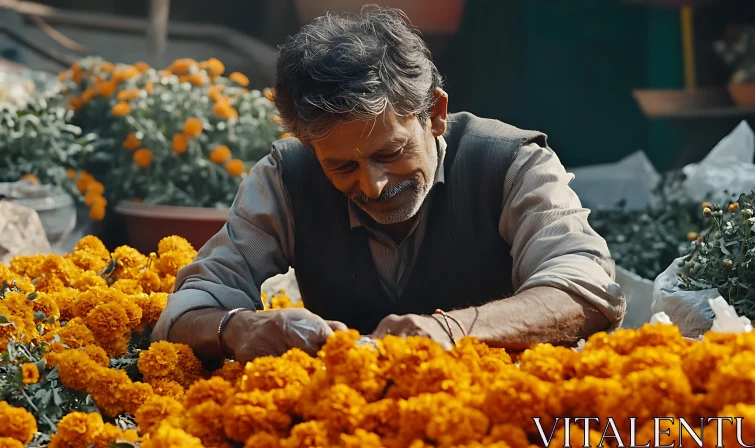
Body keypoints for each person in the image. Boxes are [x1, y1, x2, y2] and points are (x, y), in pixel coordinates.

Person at [151, 6, 625, 366]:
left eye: (390, 154)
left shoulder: (511, 165)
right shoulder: (286, 179)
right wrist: (236, 328)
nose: (374, 186)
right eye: (341, 167)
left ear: (435, 115)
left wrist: (455, 331)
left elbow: (586, 290)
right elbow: (188, 309)